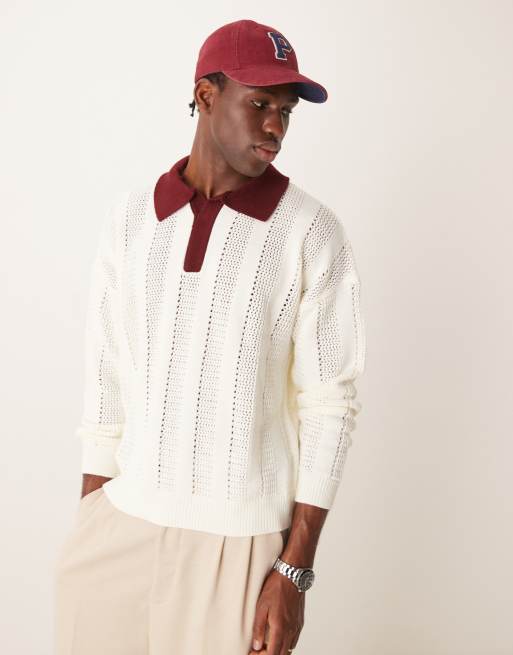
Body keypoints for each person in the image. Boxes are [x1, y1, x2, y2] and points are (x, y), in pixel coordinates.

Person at [54, 18, 366, 655]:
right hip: (117, 534)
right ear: (205, 95)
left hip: (239, 549)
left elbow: (330, 406)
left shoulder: (310, 231)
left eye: (285, 112)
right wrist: (92, 517)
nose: (275, 127)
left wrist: (294, 571)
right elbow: (106, 374)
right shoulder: (131, 218)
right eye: (260, 104)